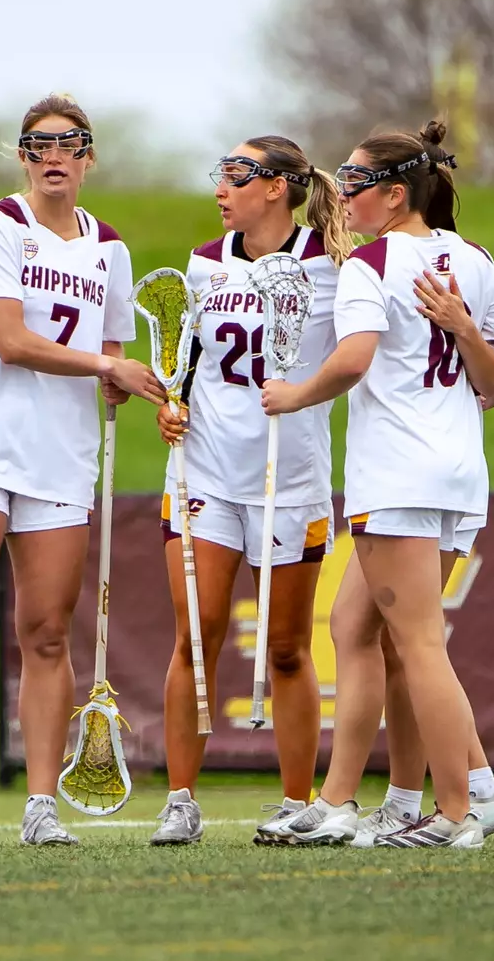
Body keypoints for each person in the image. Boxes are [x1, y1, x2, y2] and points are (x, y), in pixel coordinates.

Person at [260, 120, 494, 847]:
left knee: (418, 645)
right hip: (455, 474)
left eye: (354, 184)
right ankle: (378, 800)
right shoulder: (469, 258)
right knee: (361, 630)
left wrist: (294, 395)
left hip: (399, 475)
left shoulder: (371, 264)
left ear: (392, 194)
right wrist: (487, 392)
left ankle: (457, 814)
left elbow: (353, 359)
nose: (342, 195)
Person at [0, 93, 167, 846]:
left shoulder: (108, 249)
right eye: (38, 144)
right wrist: (99, 362)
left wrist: (128, 380)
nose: (53, 155)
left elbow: (111, 354)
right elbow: (12, 342)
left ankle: (40, 806)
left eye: (69, 143)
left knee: (48, 633)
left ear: (88, 157)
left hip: (59, 459)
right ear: (23, 157)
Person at [144, 137, 354, 846]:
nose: (221, 188)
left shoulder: (331, 264)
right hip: (206, 474)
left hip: (289, 480)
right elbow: (188, 360)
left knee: (289, 648)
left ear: (277, 188)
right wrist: (168, 403)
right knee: (196, 639)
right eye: (221, 174)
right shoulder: (207, 261)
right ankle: (180, 799)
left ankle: (299, 801)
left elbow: (356, 352)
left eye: (237, 174)